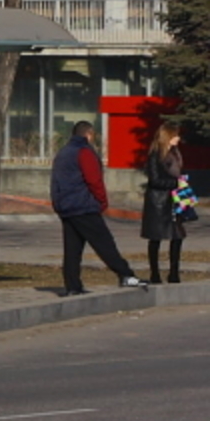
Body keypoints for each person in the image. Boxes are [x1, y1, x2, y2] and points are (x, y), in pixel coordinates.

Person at [50, 120, 143, 296]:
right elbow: (94, 180)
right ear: (89, 135)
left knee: (72, 249)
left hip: (66, 206)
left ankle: (73, 286)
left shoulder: (63, 152)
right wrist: (102, 201)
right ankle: (125, 275)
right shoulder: (84, 152)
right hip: (83, 205)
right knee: (104, 242)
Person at [141, 121, 186, 285]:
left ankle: (174, 272)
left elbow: (178, 172)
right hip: (158, 201)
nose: (178, 138)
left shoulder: (175, 153)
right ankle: (155, 273)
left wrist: (181, 184)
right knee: (156, 237)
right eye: (175, 135)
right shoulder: (155, 155)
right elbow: (155, 180)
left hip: (174, 200)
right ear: (168, 136)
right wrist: (175, 183)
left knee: (177, 236)